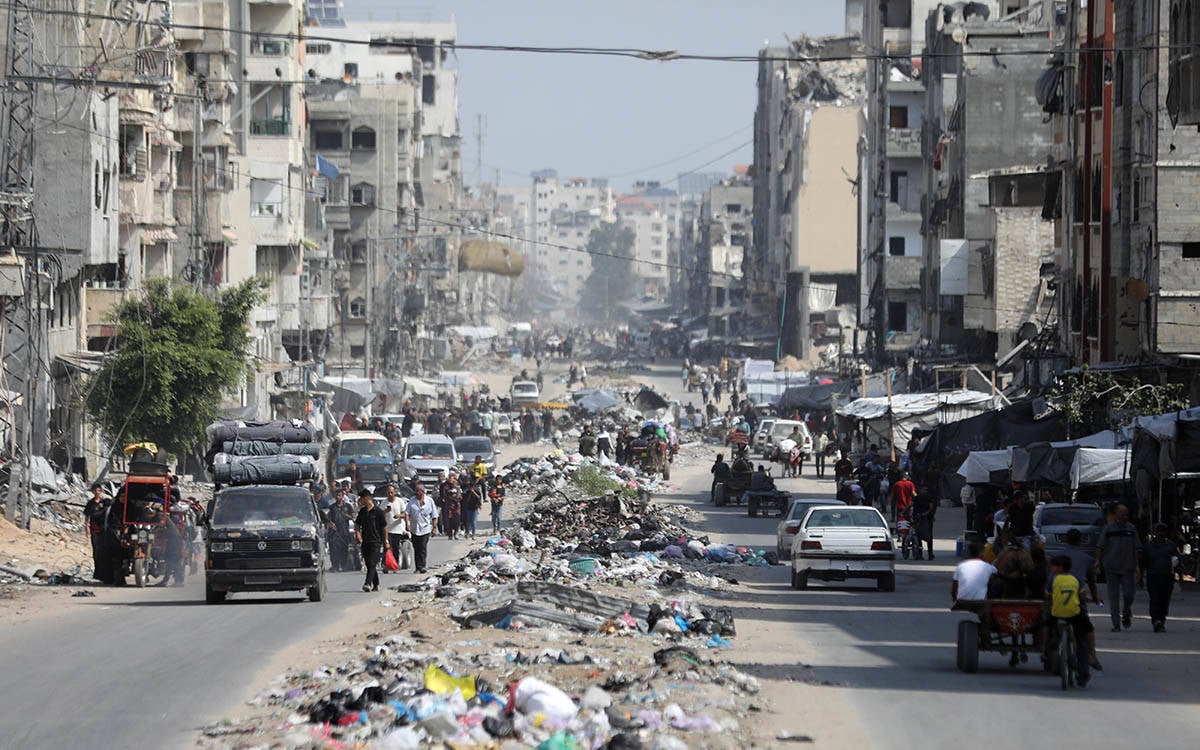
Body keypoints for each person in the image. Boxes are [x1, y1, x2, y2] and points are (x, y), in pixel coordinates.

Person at [1044, 555, 1095, 686]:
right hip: (1074, 614)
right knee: (1083, 638)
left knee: (1046, 626)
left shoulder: (1052, 578)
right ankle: (1089, 662)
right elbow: (1082, 597)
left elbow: (1047, 596)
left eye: (1053, 566)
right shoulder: (1076, 578)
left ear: (1059, 567)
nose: (1051, 568)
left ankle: (1045, 650)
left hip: (1057, 614)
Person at [1098, 503, 1141, 631]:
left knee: (1129, 594)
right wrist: (1097, 561)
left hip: (1128, 567)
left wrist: (1137, 566)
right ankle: (1116, 624)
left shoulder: (1131, 529)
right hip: (1111, 567)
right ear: (1116, 515)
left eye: (1126, 514)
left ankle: (1126, 611)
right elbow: (1100, 546)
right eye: (1122, 514)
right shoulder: (1109, 529)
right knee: (1114, 596)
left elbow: (1136, 548)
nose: (1125, 517)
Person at [1142, 522, 1178, 632]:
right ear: (1154, 532)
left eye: (1163, 530)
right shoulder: (1148, 546)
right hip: (1153, 576)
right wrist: (1140, 577)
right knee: (1155, 599)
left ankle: (1161, 620)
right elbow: (1143, 562)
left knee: (1164, 600)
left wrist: (1179, 576)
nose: (1160, 533)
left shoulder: (1171, 545)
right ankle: (1156, 620)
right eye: (1158, 530)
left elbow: (1176, 560)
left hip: (1167, 577)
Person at [354, 489, 388, 592]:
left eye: (361, 498)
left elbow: (384, 527)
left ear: (367, 498)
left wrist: (386, 541)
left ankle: (367, 583)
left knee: (373, 562)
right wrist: (358, 535)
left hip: (376, 541)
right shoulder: (362, 511)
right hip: (365, 541)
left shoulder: (378, 512)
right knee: (369, 563)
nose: (360, 500)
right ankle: (376, 583)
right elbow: (357, 524)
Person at [406, 483, 437, 573]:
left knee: (422, 547)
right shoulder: (412, 501)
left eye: (418, 491)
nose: (417, 493)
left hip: (425, 528)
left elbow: (434, 515)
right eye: (416, 491)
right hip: (414, 528)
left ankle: (422, 566)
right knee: (416, 548)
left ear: (422, 492)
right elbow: (407, 513)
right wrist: (407, 524)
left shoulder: (429, 501)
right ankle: (417, 567)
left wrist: (434, 528)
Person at [84, 485, 110, 582]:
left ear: (101, 491)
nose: (97, 492)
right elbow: (87, 517)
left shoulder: (105, 502)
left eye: (99, 490)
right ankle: (98, 574)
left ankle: (106, 575)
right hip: (95, 530)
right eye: (95, 490)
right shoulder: (90, 503)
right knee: (97, 552)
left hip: (105, 530)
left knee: (105, 552)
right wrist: (86, 528)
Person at [383, 484, 411, 572]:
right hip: (387, 529)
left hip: (397, 529)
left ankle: (394, 565)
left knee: (395, 549)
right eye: (388, 492)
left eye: (392, 492)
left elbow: (406, 514)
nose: (390, 494)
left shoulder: (400, 502)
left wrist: (399, 515)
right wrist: (385, 511)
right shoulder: (384, 503)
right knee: (387, 548)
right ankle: (386, 566)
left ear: (394, 492)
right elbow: (379, 515)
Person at [912, 483, 936, 560]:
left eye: (925, 490)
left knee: (928, 536)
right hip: (919, 517)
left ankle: (930, 553)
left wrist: (926, 513)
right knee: (919, 535)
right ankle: (920, 553)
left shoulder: (929, 497)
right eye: (923, 489)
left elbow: (931, 508)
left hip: (927, 518)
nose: (924, 491)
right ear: (920, 490)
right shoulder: (917, 498)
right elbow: (912, 505)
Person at [440, 473, 463, 540]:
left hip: (456, 506)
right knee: (448, 521)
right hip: (447, 506)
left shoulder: (457, 487)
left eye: (452, 478)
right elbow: (442, 495)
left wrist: (455, 496)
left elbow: (460, 497)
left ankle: (456, 532)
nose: (450, 479)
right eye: (449, 477)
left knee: (457, 520)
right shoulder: (444, 486)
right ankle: (450, 534)